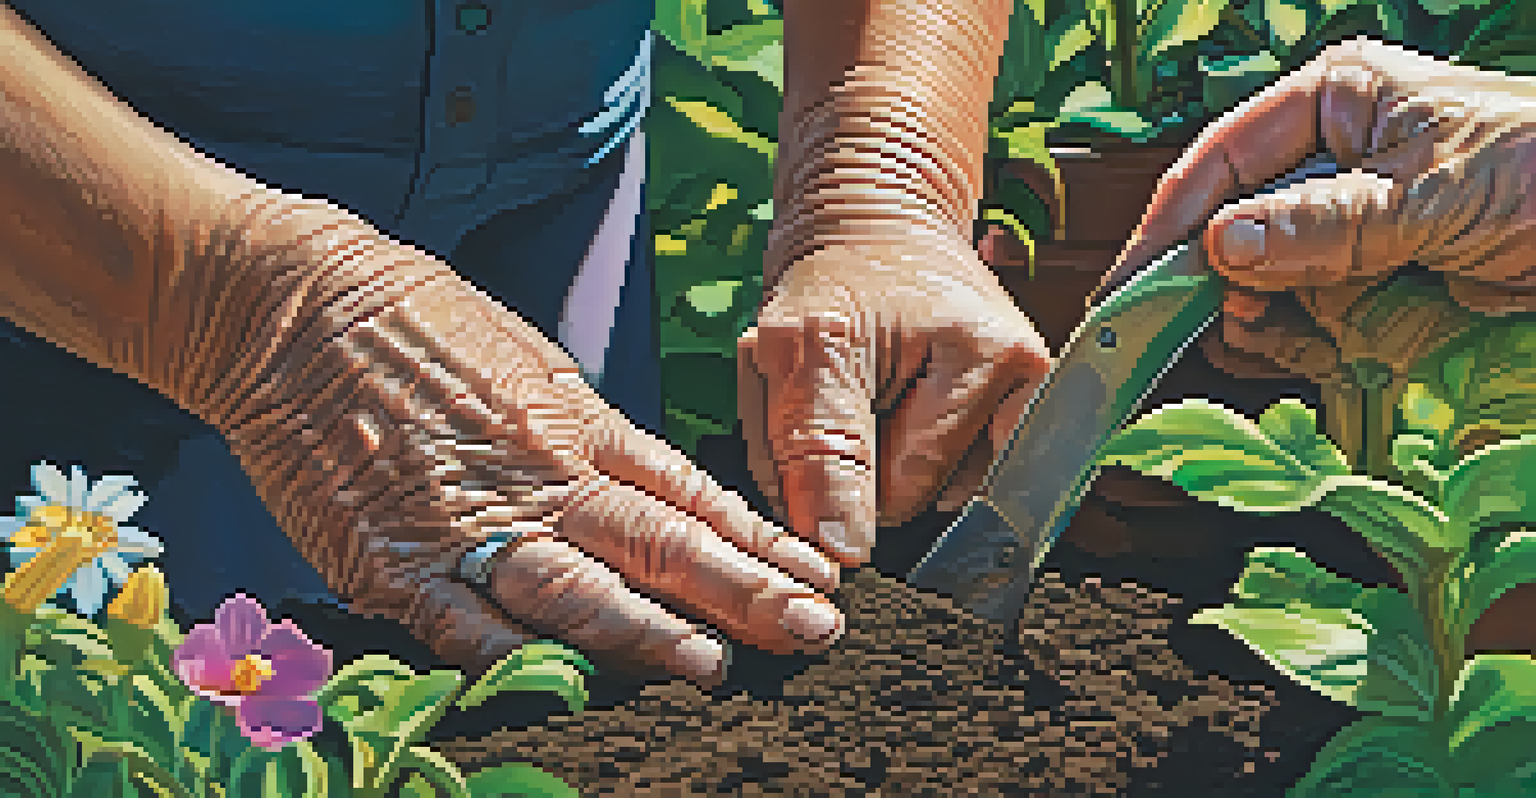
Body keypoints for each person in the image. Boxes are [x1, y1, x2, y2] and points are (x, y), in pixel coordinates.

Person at [1, 0, 1531, 691]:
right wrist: (245, 306)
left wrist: (882, 166)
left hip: (548, 218)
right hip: (61, 245)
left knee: (565, 674)